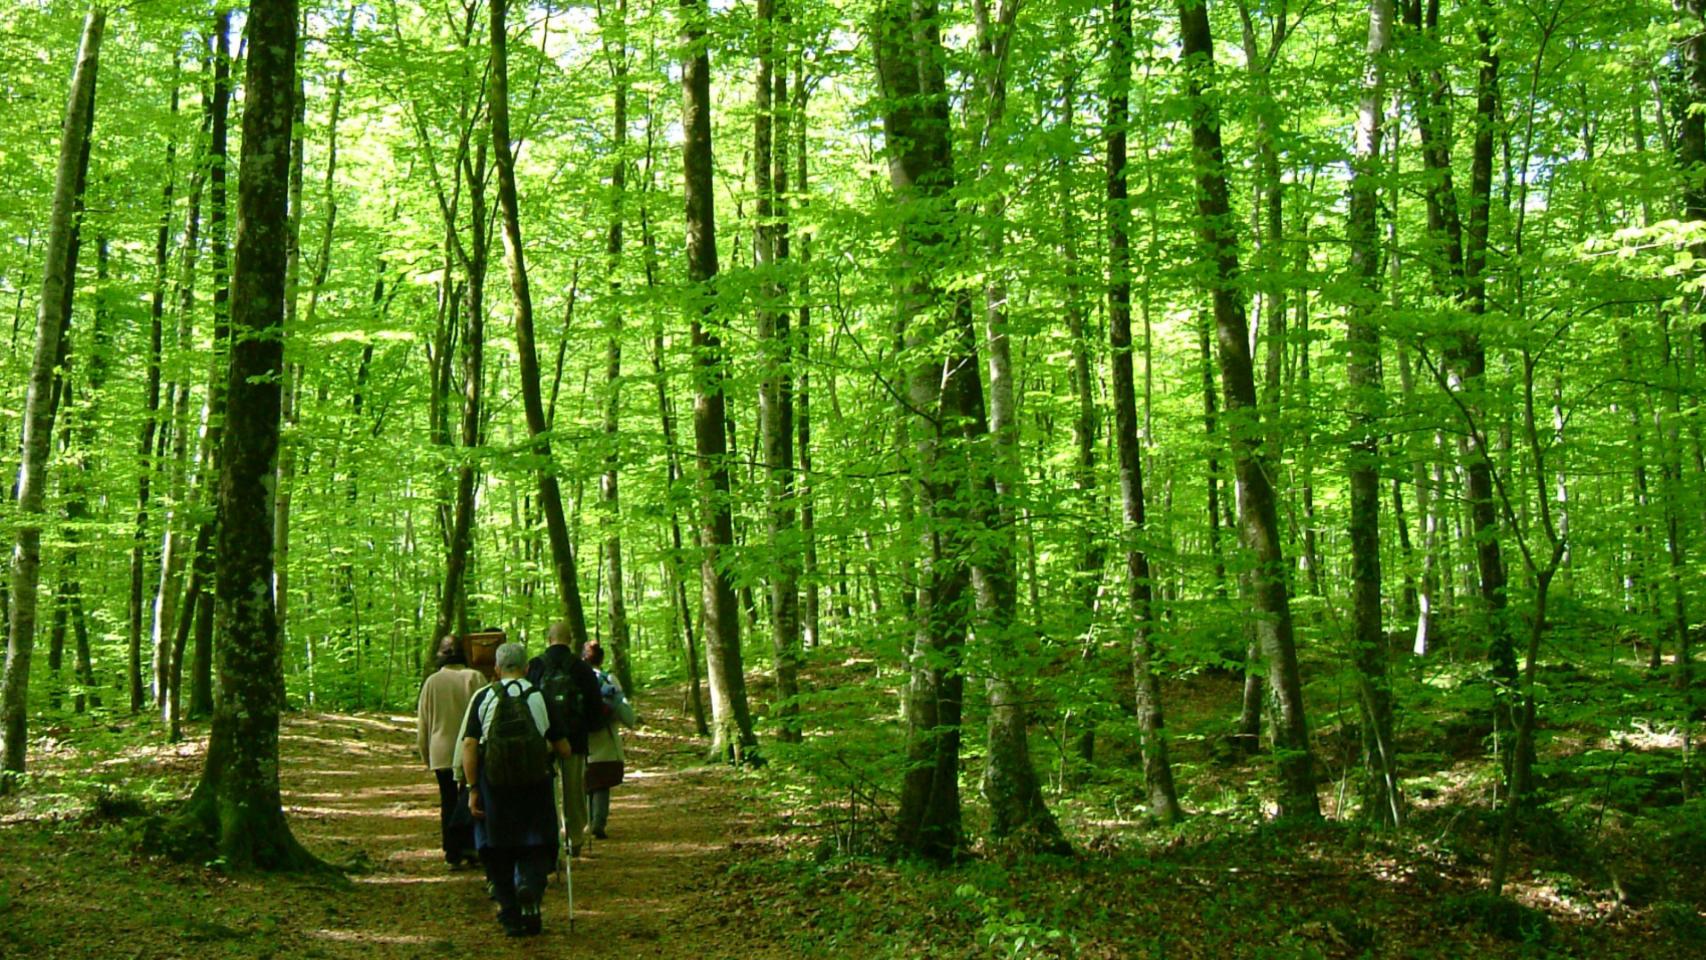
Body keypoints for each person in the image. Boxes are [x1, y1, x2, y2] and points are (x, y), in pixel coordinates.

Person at [462, 641, 574, 937]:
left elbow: (470, 745)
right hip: (535, 783)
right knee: (538, 842)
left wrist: (473, 787)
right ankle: (531, 888)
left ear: (496, 670)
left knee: (497, 846)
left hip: (494, 785)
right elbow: (564, 748)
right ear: (526, 668)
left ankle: (509, 913)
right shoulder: (539, 695)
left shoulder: (484, 697)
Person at [525, 621, 604, 857]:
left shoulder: (535, 666)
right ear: (570, 640)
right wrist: (589, 730)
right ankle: (575, 837)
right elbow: (595, 708)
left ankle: (548, 838)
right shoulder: (582, 669)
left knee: (544, 790)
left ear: (548, 639)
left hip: (544, 739)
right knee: (574, 790)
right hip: (575, 739)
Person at [416, 635, 484, 870]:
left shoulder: (432, 683)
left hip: (441, 750)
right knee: (471, 798)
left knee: (448, 801)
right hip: (470, 750)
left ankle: (452, 853)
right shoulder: (476, 678)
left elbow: (423, 724)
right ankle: (472, 848)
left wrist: (426, 755)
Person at [581, 639, 638, 839]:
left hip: (583, 738)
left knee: (586, 782)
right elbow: (623, 707)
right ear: (601, 658)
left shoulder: (577, 679)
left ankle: (587, 821)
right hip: (605, 736)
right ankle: (599, 822)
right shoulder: (608, 679)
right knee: (601, 784)